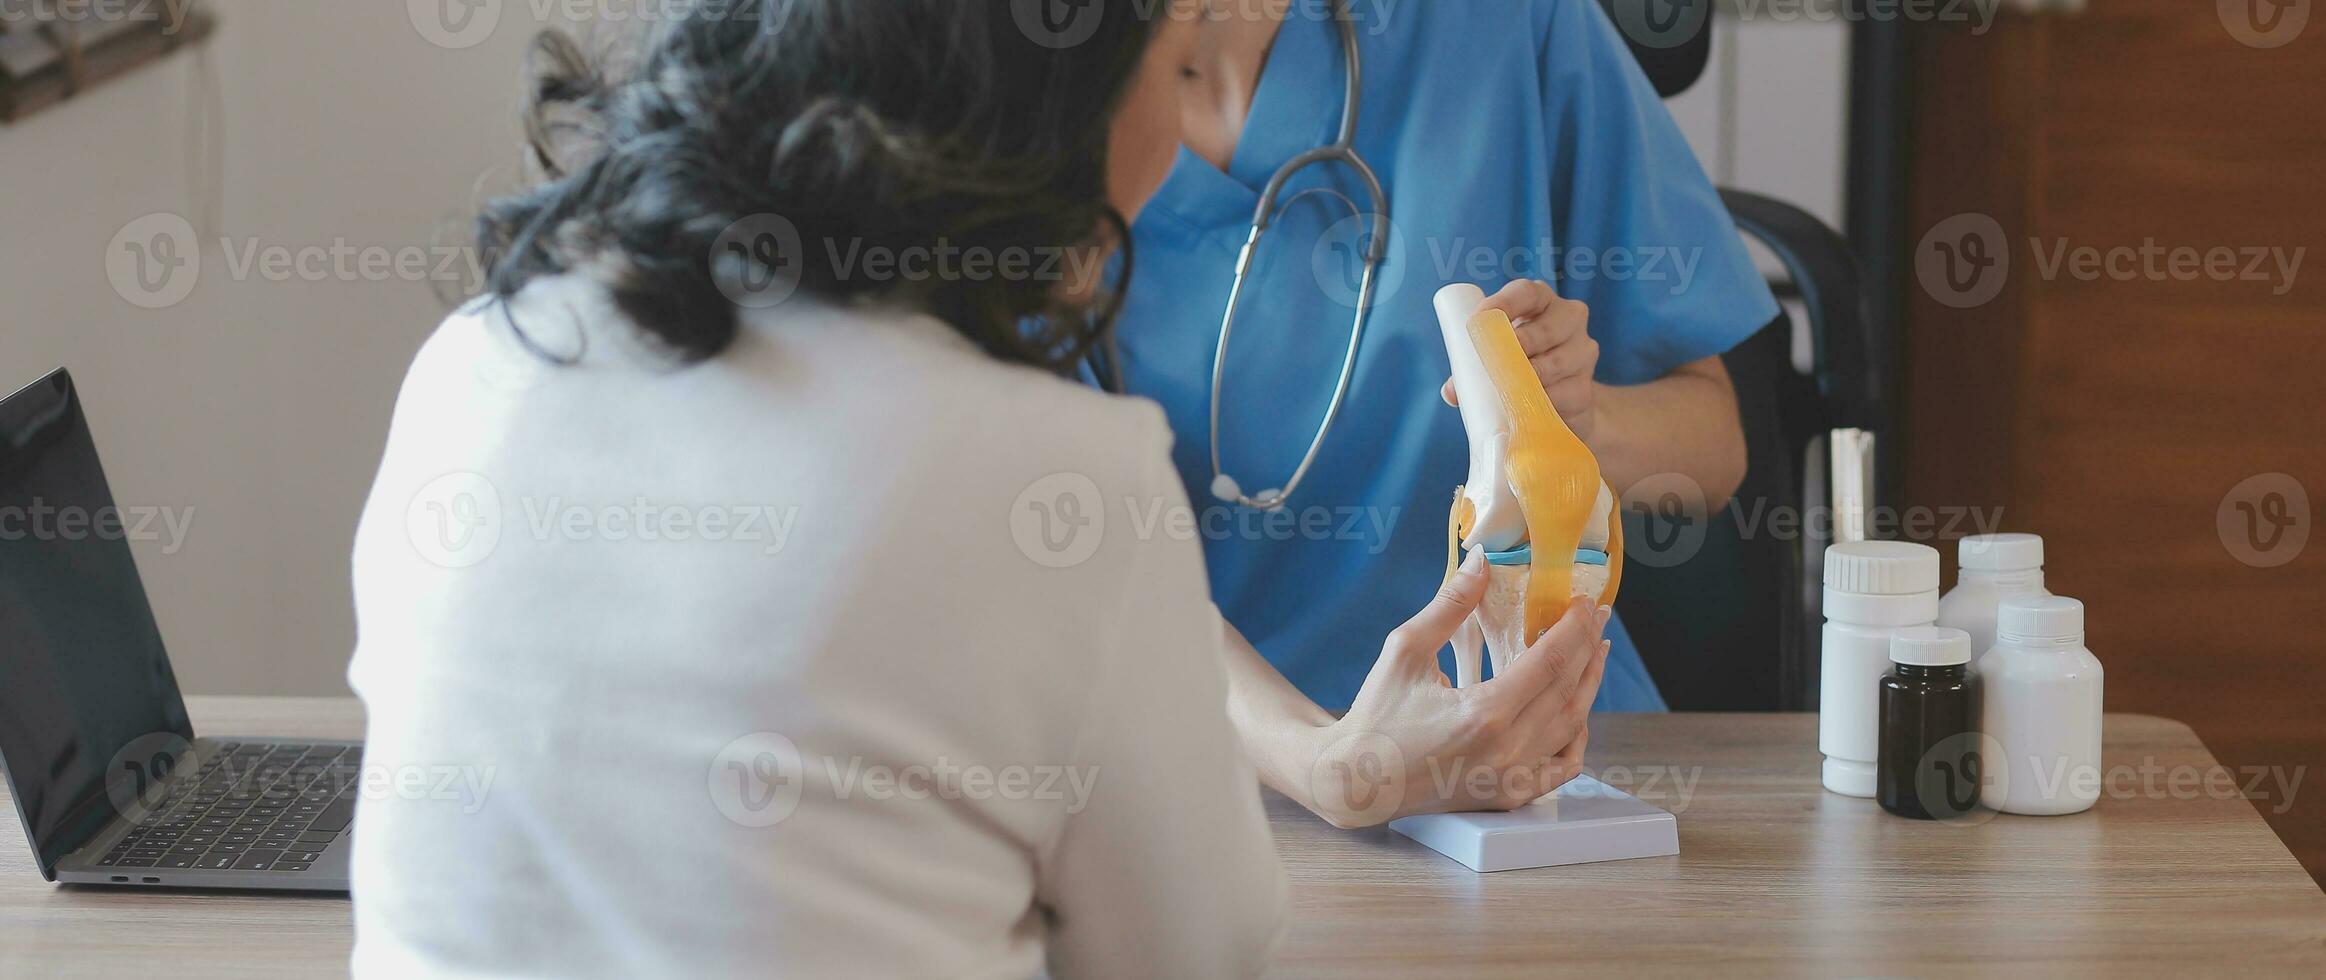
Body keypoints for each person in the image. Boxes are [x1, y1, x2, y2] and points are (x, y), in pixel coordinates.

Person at [346, 1, 1608, 976]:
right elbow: (1196, 944)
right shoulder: (1052, 472)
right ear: (1036, 99)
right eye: (1165, 71)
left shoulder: (476, 360)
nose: (1173, 147)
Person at [1111, 0, 1778, 824]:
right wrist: (1329, 763)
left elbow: (1715, 449)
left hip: (1552, 753)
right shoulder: (1025, 94)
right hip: (1224, 771)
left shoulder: (1507, 25)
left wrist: (1575, 423)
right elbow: (1066, 556)